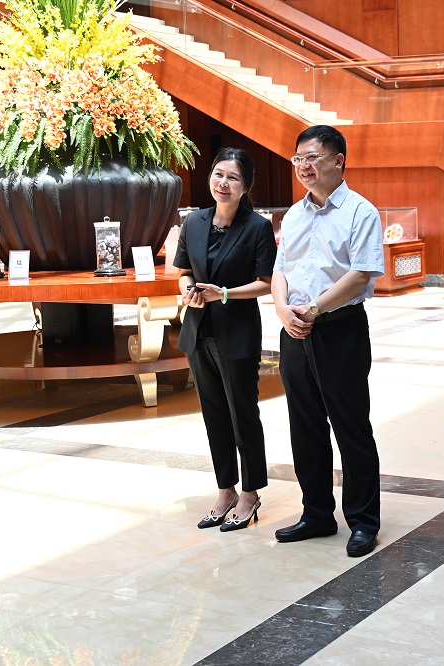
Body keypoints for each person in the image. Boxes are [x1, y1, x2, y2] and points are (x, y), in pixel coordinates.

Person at [272, 125, 385, 558]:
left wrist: (314, 309)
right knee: (305, 427)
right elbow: (280, 269)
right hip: (294, 331)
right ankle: (317, 513)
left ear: (339, 160)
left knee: (351, 427)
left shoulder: (360, 212)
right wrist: (283, 310)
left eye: (313, 157)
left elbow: (361, 273)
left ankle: (363, 520)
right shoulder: (294, 215)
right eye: (298, 158)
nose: (304, 165)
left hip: (339, 329)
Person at [175, 147, 276, 532]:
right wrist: (188, 291)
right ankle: (225, 490)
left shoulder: (258, 228)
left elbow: (267, 283)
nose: (223, 183)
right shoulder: (194, 222)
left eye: (233, 177)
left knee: (242, 414)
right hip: (198, 331)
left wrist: (225, 294)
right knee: (214, 415)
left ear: (245, 185)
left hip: (237, 333)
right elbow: (184, 272)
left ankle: (250, 493)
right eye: (218, 174)